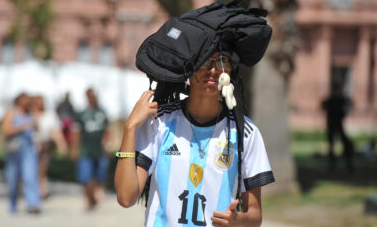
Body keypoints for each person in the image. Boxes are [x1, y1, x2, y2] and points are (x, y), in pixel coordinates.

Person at [114, 48, 275, 226]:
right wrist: (130, 128)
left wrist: (239, 220)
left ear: (229, 71)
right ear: (188, 69)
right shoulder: (160, 121)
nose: (213, 69)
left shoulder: (245, 132)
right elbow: (125, 197)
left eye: (222, 61)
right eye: (204, 60)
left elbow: (255, 216)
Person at [1, 93, 41, 214]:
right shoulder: (11, 112)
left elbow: (37, 128)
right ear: (18, 100)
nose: (26, 102)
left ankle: (33, 204)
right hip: (14, 149)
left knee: (30, 176)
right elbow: (6, 130)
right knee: (12, 179)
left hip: (28, 149)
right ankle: (13, 203)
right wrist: (21, 127)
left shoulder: (31, 113)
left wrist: (34, 116)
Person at [71, 88, 111, 210]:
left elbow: (107, 131)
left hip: (99, 150)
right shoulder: (81, 114)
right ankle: (89, 200)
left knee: (99, 176)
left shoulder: (102, 112)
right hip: (85, 150)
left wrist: (107, 145)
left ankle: (94, 196)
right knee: (86, 177)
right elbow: (76, 132)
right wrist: (75, 149)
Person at [31, 95, 67, 199]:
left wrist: (61, 144)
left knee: (42, 169)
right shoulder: (29, 114)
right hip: (31, 147)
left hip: (45, 146)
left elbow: (55, 130)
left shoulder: (49, 115)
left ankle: (41, 190)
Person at [322, 84, 354, 172]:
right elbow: (323, 106)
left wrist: (344, 113)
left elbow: (350, 104)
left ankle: (348, 164)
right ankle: (332, 165)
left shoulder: (341, 99)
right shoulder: (331, 99)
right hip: (332, 125)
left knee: (345, 144)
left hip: (338, 125)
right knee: (331, 146)